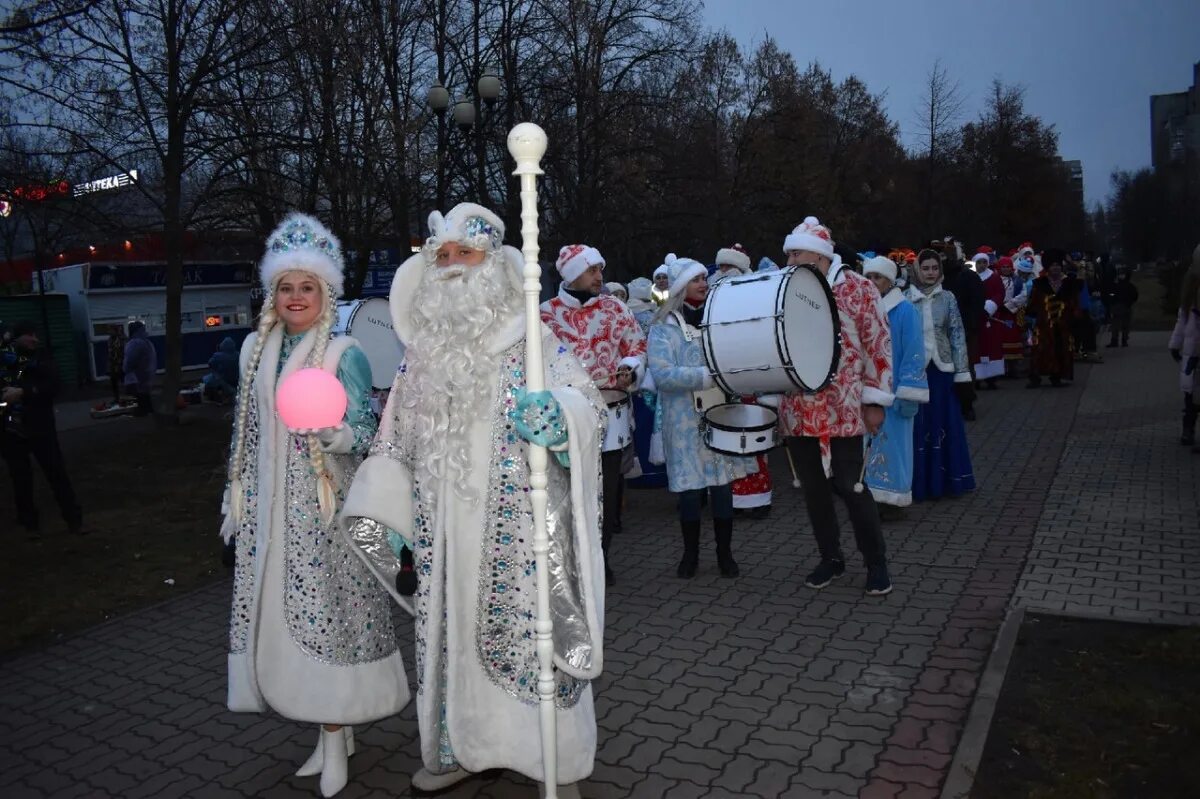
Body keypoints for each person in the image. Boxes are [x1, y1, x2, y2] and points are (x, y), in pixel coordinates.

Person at [340, 203, 604, 797]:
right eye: (444, 256)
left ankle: (549, 759)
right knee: (449, 639)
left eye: (467, 254)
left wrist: (562, 419)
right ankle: (461, 750)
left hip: (519, 533)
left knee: (530, 643)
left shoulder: (533, 339)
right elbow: (394, 438)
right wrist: (386, 516)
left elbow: (589, 404)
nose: (454, 266)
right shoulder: (422, 354)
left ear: (494, 263)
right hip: (443, 537)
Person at [219, 213, 407, 798]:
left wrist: (336, 435)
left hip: (322, 515)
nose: (296, 297)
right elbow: (243, 435)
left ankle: (334, 741)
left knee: (330, 625)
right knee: (282, 620)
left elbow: (365, 422)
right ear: (273, 292)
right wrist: (236, 498)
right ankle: (331, 733)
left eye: (308, 286)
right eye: (286, 286)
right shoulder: (255, 349)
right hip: (270, 518)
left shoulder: (343, 351)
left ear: (326, 293)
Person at [777, 217, 895, 596]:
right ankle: (831, 558)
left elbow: (878, 344)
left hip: (844, 408)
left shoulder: (858, 289)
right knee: (814, 489)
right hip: (798, 408)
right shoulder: (782, 287)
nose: (790, 259)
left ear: (821, 254)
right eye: (788, 253)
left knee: (852, 487)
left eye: (796, 252)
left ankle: (876, 563)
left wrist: (875, 400)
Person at [541, 243, 647, 586]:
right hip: (566, 419)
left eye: (600, 269)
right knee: (569, 492)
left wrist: (630, 369)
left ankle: (601, 559)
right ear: (573, 275)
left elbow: (636, 345)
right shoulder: (545, 314)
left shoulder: (616, 308)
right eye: (592, 271)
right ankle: (570, 562)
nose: (599, 276)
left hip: (612, 415)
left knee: (607, 491)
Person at [647, 254, 750, 578]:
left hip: (720, 415)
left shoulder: (719, 319)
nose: (703, 283)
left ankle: (725, 554)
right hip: (683, 422)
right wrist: (707, 376)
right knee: (690, 492)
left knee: (722, 488)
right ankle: (690, 555)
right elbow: (662, 375)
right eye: (695, 280)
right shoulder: (662, 328)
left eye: (703, 279)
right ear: (680, 287)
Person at [0, 320, 84, 536]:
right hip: (12, 432)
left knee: (57, 473)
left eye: (36, 335)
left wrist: (24, 393)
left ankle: (74, 520)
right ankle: (30, 525)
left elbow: (54, 385)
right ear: (16, 338)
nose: (35, 339)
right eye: (30, 335)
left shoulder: (41, 358)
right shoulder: (6, 361)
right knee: (21, 479)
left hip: (41, 428)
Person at [905, 250, 976, 501]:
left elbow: (957, 335)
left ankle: (946, 480)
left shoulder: (948, 298)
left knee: (943, 423)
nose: (930, 273)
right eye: (925, 268)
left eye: (935, 268)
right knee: (919, 425)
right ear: (917, 270)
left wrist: (963, 373)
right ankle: (920, 482)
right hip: (916, 372)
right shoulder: (905, 298)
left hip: (942, 370)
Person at [863, 256, 928, 516]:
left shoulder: (905, 311)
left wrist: (909, 391)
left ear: (890, 281)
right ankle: (870, 495)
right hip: (869, 392)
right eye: (868, 277)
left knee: (895, 446)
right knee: (869, 445)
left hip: (895, 393)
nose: (872, 283)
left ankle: (893, 500)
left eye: (877, 277)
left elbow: (914, 352)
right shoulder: (865, 309)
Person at [1025, 248, 1081, 388]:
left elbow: (1074, 303)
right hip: (1043, 325)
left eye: (1058, 265)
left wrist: (1075, 318)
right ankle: (1035, 378)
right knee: (1039, 350)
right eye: (1052, 265)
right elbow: (1033, 303)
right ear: (1047, 267)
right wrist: (1029, 318)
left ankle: (1056, 377)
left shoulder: (1069, 283)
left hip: (1063, 325)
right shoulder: (1039, 283)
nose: (1055, 268)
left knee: (1060, 349)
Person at [940, 247, 983, 419]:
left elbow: (977, 302)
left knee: (963, 368)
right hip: (939, 333)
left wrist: (971, 325)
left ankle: (966, 404)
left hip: (963, 330)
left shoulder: (968, 276)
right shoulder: (934, 278)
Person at [1170, 245, 1200, 448]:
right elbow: (1182, 321)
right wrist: (1175, 344)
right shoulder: (1191, 294)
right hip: (1193, 354)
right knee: (1191, 396)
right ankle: (1188, 429)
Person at [973, 253, 1006, 390]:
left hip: (990, 318)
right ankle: (977, 378)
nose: (982, 265)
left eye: (984, 262)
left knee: (992, 346)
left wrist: (989, 307)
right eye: (979, 262)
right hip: (975, 319)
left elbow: (1000, 293)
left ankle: (992, 377)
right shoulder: (971, 277)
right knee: (977, 348)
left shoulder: (994, 277)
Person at [995, 256, 1027, 372]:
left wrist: (1009, 305)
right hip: (997, 314)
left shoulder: (1017, 280)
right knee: (999, 339)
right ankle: (1001, 368)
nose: (1005, 269)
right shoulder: (995, 279)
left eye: (1008, 266)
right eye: (1003, 267)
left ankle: (1013, 368)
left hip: (1011, 314)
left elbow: (1023, 295)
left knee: (1012, 338)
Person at [122, 320, 157, 416]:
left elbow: (129, 361)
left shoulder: (134, 343)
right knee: (145, 398)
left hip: (136, 377)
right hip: (147, 375)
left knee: (138, 400)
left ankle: (142, 418)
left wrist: (125, 369)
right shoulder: (148, 342)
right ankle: (148, 414)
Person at [1107, 270, 1139, 348]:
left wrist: (1112, 301)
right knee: (1126, 325)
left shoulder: (1116, 286)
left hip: (1117, 306)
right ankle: (1124, 341)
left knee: (1115, 324)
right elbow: (1135, 296)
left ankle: (1114, 341)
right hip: (1127, 307)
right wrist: (1130, 302)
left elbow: (1111, 295)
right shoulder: (1131, 286)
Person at [204, 336, 240, 403]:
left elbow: (210, 364)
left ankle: (214, 397)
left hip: (224, 379)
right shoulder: (238, 354)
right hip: (236, 380)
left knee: (207, 379)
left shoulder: (218, 355)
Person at [106, 323, 126, 405]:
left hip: (121, 364)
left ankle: (127, 399)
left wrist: (120, 363)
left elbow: (123, 352)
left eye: (110, 330)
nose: (109, 332)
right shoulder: (110, 339)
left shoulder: (122, 339)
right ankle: (117, 399)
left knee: (124, 382)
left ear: (115, 330)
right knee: (114, 383)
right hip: (113, 364)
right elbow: (110, 352)